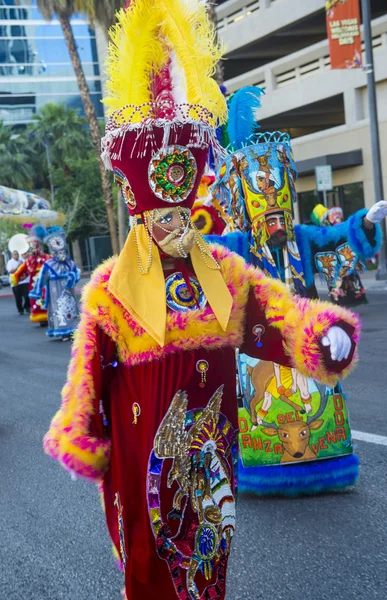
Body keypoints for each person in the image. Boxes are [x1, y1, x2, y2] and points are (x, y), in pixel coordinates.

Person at [43, 4, 360, 599]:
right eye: (160, 215)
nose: (173, 225)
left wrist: (322, 334)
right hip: (147, 457)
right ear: (141, 212)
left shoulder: (224, 272)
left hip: (214, 449)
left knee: (209, 552)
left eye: (180, 213)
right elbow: (85, 371)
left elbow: (278, 314)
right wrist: (81, 426)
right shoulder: (111, 287)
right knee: (152, 554)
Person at [211, 86, 387, 497]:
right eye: (266, 213)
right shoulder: (238, 244)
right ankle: (268, 470)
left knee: (317, 407)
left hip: (305, 337)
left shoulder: (302, 238)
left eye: (279, 211)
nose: (275, 219)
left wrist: (362, 224)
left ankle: (326, 465)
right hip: (258, 345)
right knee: (266, 408)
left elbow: (334, 236)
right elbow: (208, 255)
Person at [310, 203, 368, 306]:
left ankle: (340, 300)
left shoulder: (322, 228)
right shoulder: (327, 226)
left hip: (334, 258)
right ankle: (346, 299)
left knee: (339, 281)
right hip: (339, 257)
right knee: (344, 280)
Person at [29, 227, 80, 340]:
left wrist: (73, 277)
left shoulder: (69, 262)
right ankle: (63, 331)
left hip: (69, 292)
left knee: (72, 308)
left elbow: (76, 273)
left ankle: (73, 329)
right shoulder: (49, 264)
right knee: (59, 310)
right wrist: (37, 292)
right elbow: (41, 278)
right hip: (55, 292)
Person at [11, 226, 51, 324]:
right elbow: (22, 270)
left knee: (47, 298)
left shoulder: (48, 258)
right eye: (33, 245)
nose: (35, 248)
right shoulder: (29, 260)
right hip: (34, 284)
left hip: (46, 283)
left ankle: (49, 315)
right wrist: (16, 277)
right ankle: (41, 318)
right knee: (36, 300)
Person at [7, 249, 30, 315]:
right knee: (18, 297)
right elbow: (11, 271)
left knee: (27, 295)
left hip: (25, 281)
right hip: (16, 282)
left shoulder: (22, 261)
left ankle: (27, 306)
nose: (16, 255)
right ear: (12, 255)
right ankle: (20, 309)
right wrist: (18, 266)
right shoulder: (10, 262)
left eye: (17, 254)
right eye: (15, 254)